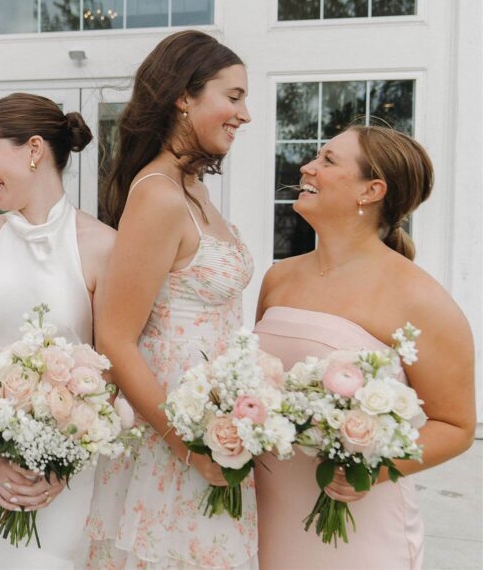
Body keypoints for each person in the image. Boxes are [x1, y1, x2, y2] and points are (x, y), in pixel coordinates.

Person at [254, 125, 476, 569]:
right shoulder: (279, 277)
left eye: (329, 161)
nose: (308, 167)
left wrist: (374, 467)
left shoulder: (419, 298)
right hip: (267, 512)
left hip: (357, 526)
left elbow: (456, 425)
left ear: (371, 190)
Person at [86, 30, 258, 569]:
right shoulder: (158, 195)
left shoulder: (195, 190)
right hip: (173, 436)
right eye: (233, 97)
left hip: (216, 423)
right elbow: (114, 338)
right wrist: (187, 447)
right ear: (184, 96)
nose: (245, 114)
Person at [0, 93, 115, 568]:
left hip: (62, 476)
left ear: (34, 149)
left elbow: (113, 368)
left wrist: (64, 462)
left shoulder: (103, 247)